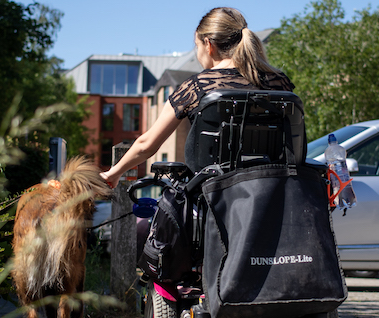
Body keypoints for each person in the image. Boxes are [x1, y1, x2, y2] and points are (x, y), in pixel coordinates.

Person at [100, 7, 295, 187]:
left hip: (214, 199)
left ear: (208, 45)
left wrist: (113, 174)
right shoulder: (280, 83)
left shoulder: (196, 87)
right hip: (275, 192)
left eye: (196, 45)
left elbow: (146, 145)